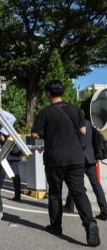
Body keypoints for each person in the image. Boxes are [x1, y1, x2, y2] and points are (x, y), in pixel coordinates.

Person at [32, 79, 100, 247]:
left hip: (55, 158)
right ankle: (90, 223)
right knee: (79, 192)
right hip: (76, 157)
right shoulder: (74, 109)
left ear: (48, 93)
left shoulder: (46, 112)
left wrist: (49, 134)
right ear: (62, 92)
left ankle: (56, 226)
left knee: (55, 193)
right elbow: (83, 131)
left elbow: (35, 134)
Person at [63, 99, 107, 221]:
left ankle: (69, 206)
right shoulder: (90, 124)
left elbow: (79, 143)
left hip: (78, 159)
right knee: (96, 185)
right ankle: (104, 210)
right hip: (91, 158)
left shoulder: (76, 125)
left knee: (75, 183)